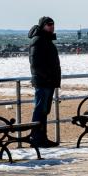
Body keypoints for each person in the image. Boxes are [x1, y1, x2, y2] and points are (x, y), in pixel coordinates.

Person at [27, 16, 61, 148]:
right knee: (40, 109)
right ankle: (36, 137)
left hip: (48, 82)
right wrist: (47, 77)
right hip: (43, 82)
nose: (52, 26)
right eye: (49, 24)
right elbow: (35, 63)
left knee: (44, 110)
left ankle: (42, 137)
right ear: (42, 26)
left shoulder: (46, 39)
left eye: (53, 24)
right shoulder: (38, 40)